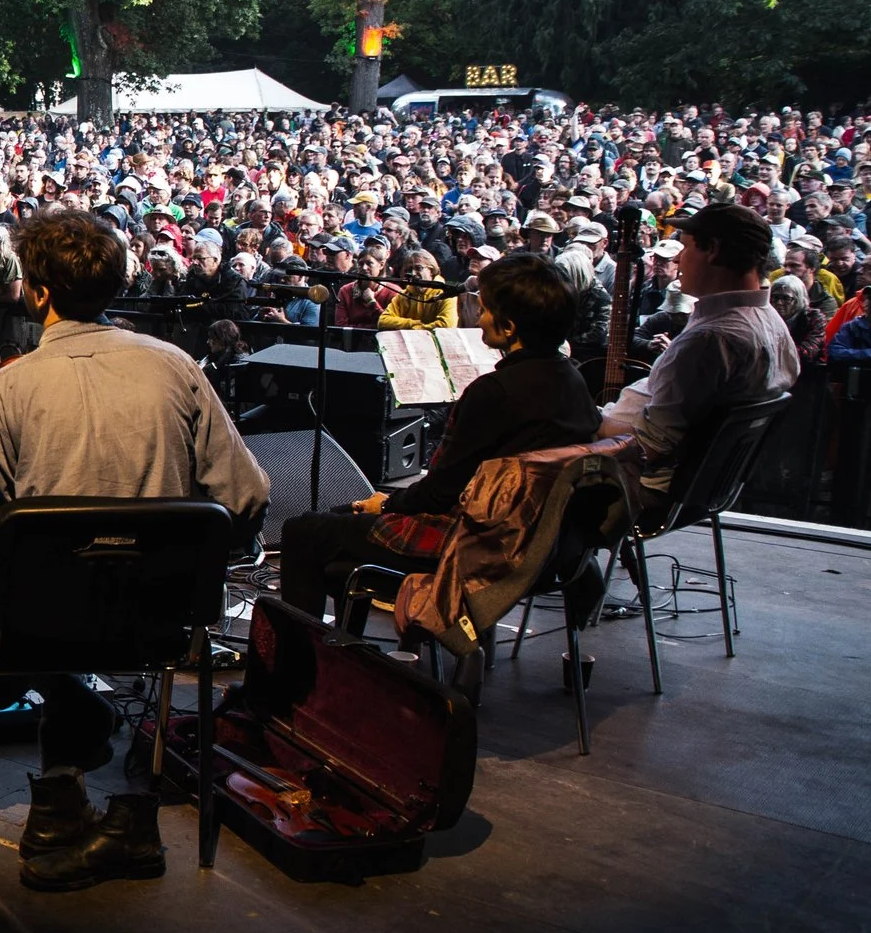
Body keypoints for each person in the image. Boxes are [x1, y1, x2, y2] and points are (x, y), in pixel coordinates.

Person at [0, 211, 268, 893]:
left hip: (44, 612)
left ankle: (67, 745)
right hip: (163, 614)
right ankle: (107, 799)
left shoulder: (6, 388)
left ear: (37, 292)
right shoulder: (178, 366)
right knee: (34, 602)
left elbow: (5, 526)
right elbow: (246, 496)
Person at [278, 254, 600, 624]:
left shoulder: (494, 392)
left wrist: (384, 504)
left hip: (476, 545)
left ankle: (293, 670)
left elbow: (438, 493)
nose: (478, 318)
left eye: (486, 309)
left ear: (509, 327)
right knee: (334, 531)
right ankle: (344, 646)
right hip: (544, 547)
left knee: (303, 530)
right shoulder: (574, 380)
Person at [599, 203, 801, 515]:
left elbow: (649, 448)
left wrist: (588, 418)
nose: (679, 259)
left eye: (688, 247)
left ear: (713, 250)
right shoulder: (773, 324)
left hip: (638, 484)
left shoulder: (711, 340)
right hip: (705, 489)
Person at [376, 246, 458, 329]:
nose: (413, 273)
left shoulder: (446, 294)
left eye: (418, 268)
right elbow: (383, 322)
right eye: (409, 269)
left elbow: (446, 325)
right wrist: (414, 323)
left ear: (431, 271)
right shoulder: (404, 295)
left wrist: (416, 330)